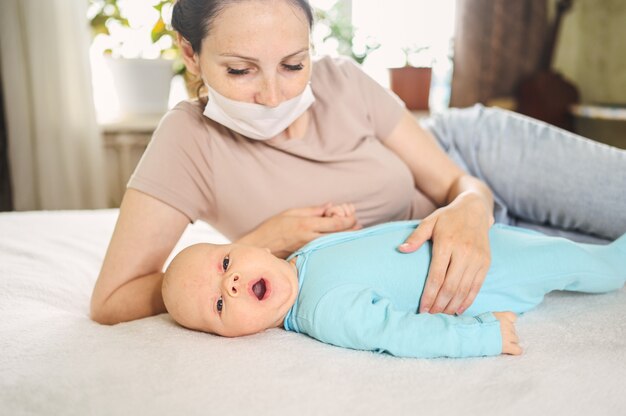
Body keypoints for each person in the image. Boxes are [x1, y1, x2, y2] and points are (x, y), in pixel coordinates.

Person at [90, 0, 626, 326]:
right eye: (240, 71)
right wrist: (258, 242)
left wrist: (469, 206)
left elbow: (455, 180)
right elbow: (112, 299)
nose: (274, 95)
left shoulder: (341, 79)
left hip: (481, 161)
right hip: (452, 250)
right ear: (190, 53)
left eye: (293, 64)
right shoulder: (188, 141)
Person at [161, 207, 626, 359]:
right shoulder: (323, 311)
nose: (233, 284)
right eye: (219, 307)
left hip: (463, 237)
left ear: (257, 247)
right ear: (231, 337)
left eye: (225, 264)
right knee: (576, 262)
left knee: (553, 242)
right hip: (484, 276)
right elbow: (398, 333)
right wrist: (480, 336)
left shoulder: (301, 261)